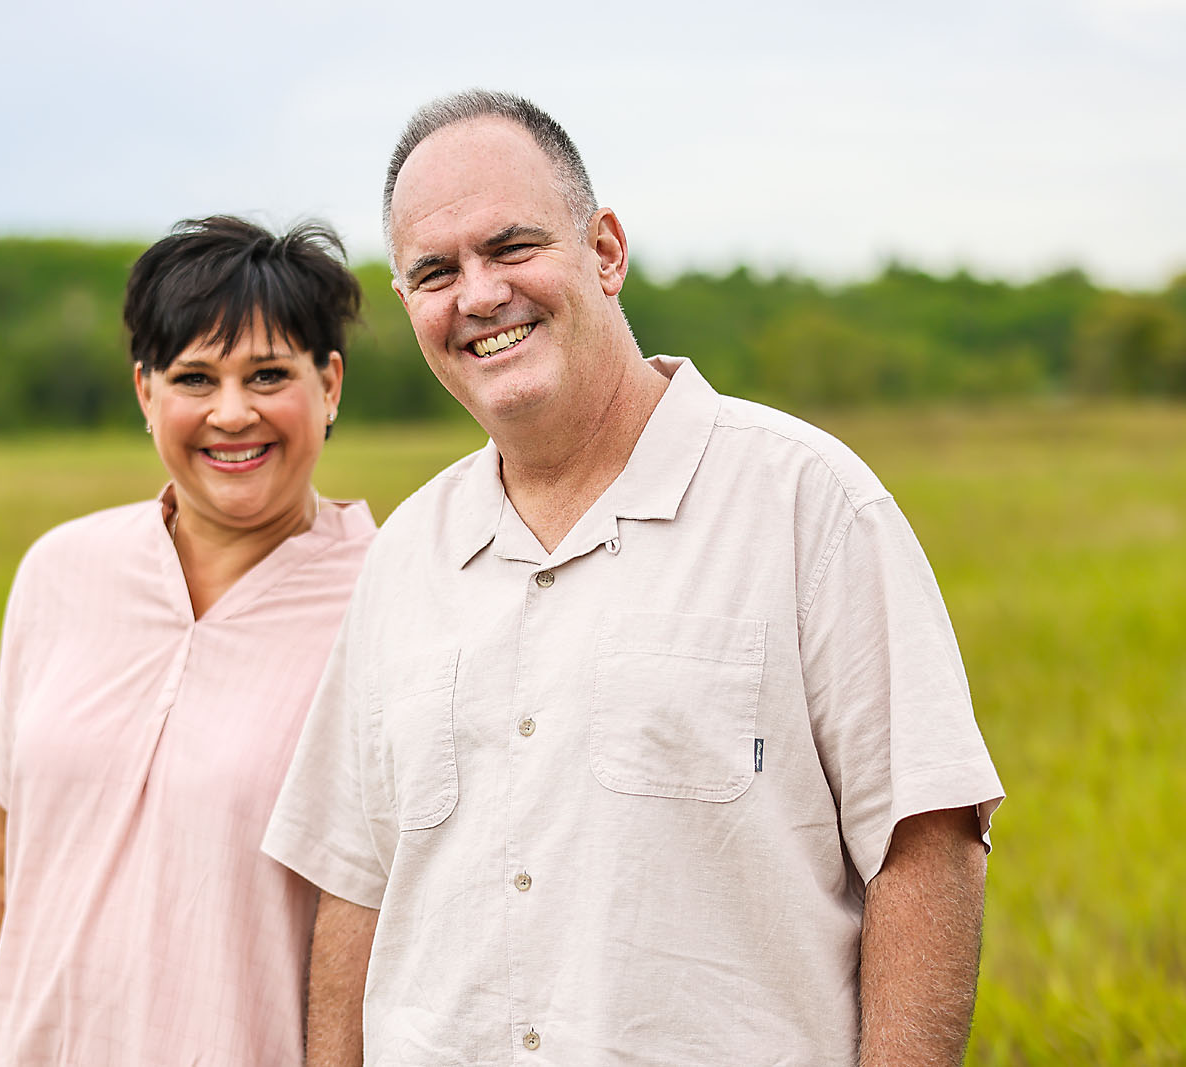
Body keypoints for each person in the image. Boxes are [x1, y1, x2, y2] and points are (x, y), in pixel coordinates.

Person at [262, 90, 1005, 1066]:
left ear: (605, 251)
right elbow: (357, 887)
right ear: (409, 306)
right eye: (435, 271)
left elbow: (925, 847)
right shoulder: (405, 556)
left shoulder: (809, 503)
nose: (478, 294)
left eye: (511, 246)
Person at [0, 215, 376, 1065]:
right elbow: (2, 862)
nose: (232, 413)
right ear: (145, 392)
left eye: (268, 374)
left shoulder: (386, 601)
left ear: (330, 382)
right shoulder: (61, 571)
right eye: (195, 377)